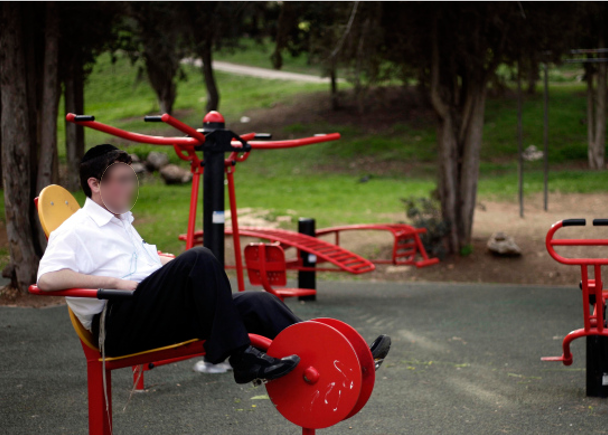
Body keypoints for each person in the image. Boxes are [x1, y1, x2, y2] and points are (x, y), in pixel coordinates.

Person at [36, 144, 391, 384]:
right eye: (122, 180)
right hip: (117, 325)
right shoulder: (76, 228)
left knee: (257, 302)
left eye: (132, 179)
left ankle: (343, 357)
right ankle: (241, 358)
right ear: (95, 184)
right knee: (200, 257)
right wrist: (114, 283)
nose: (130, 187)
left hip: (150, 311)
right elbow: (47, 278)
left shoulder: (121, 222)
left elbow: (135, 264)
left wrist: (160, 263)